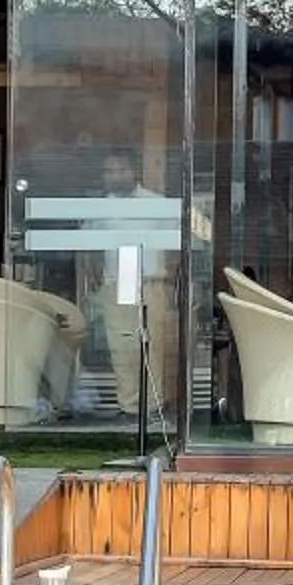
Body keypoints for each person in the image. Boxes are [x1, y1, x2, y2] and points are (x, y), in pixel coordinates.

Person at [78, 146, 175, 423]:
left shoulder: (157, 203)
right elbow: (88, 246)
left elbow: (177, 247)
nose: (115, 175)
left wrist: (173, 281)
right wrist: (93, 273)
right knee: (122, 346)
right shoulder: (100, 209)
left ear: (134, 171)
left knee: (152, 345)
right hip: (116, 282)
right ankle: (129, 406)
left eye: (121, 169)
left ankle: (153, 407)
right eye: (109, 171)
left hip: (151, 283)